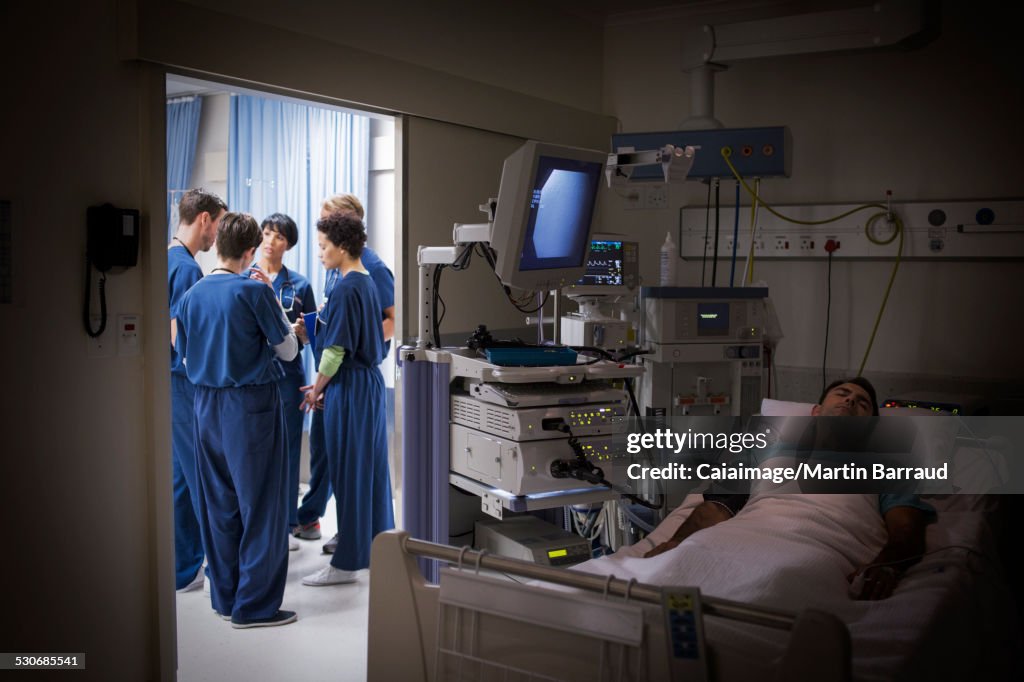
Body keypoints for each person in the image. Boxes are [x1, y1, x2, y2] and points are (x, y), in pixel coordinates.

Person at [644, 377, 935, 601]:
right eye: (842, 395)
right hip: (733, 539)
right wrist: (677, 542)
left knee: (781, 583)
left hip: (816, 548)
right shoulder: (766, 452)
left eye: (862, 403)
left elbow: (906, 528)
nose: (849, 402)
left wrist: (886, 565)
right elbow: (718, 505)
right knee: (677, 568)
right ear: (816, 412)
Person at [176, 213, 299, 627]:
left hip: (204, 408)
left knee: (220, 507)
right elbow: (288, 352)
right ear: (250, 252)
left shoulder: (192, 296)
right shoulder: (254, 291)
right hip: (251, 409)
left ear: (218, 246)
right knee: (261, 505)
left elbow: (187, 355)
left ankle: (226, 599)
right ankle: (256, 607)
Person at [293, 193, 395, 555]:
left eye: (323, 245)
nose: (319, 252)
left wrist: (320, 383)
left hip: (350, 378)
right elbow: (339, 327)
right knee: (351, 464)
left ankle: (353, 552)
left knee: (354, 469)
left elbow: (346, 343)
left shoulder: (364, 275)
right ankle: (367, 544)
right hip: (348, 379)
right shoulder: (352, 277)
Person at [244, 214, 317, 551]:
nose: (271, 241)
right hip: (253, 376)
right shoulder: (244, 280)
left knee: (287, 451)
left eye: (279, 236)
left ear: (289, 244)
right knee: (254, 450)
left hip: (289, 378)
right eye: (268, 233)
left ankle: (288, 522)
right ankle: (256, 524)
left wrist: (319, 381)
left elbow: (314, 335)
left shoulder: (299, 285)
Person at [167, 188, 226, 592]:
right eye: (218, 225)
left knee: (181, 478)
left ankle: (183, 569)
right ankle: (217, 571)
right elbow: (177, 334)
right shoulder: (187, 269)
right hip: (185, 386)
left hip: (170, 386)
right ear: (204, 219)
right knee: (203, 478)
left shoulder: (167, 259)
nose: (217, 237)